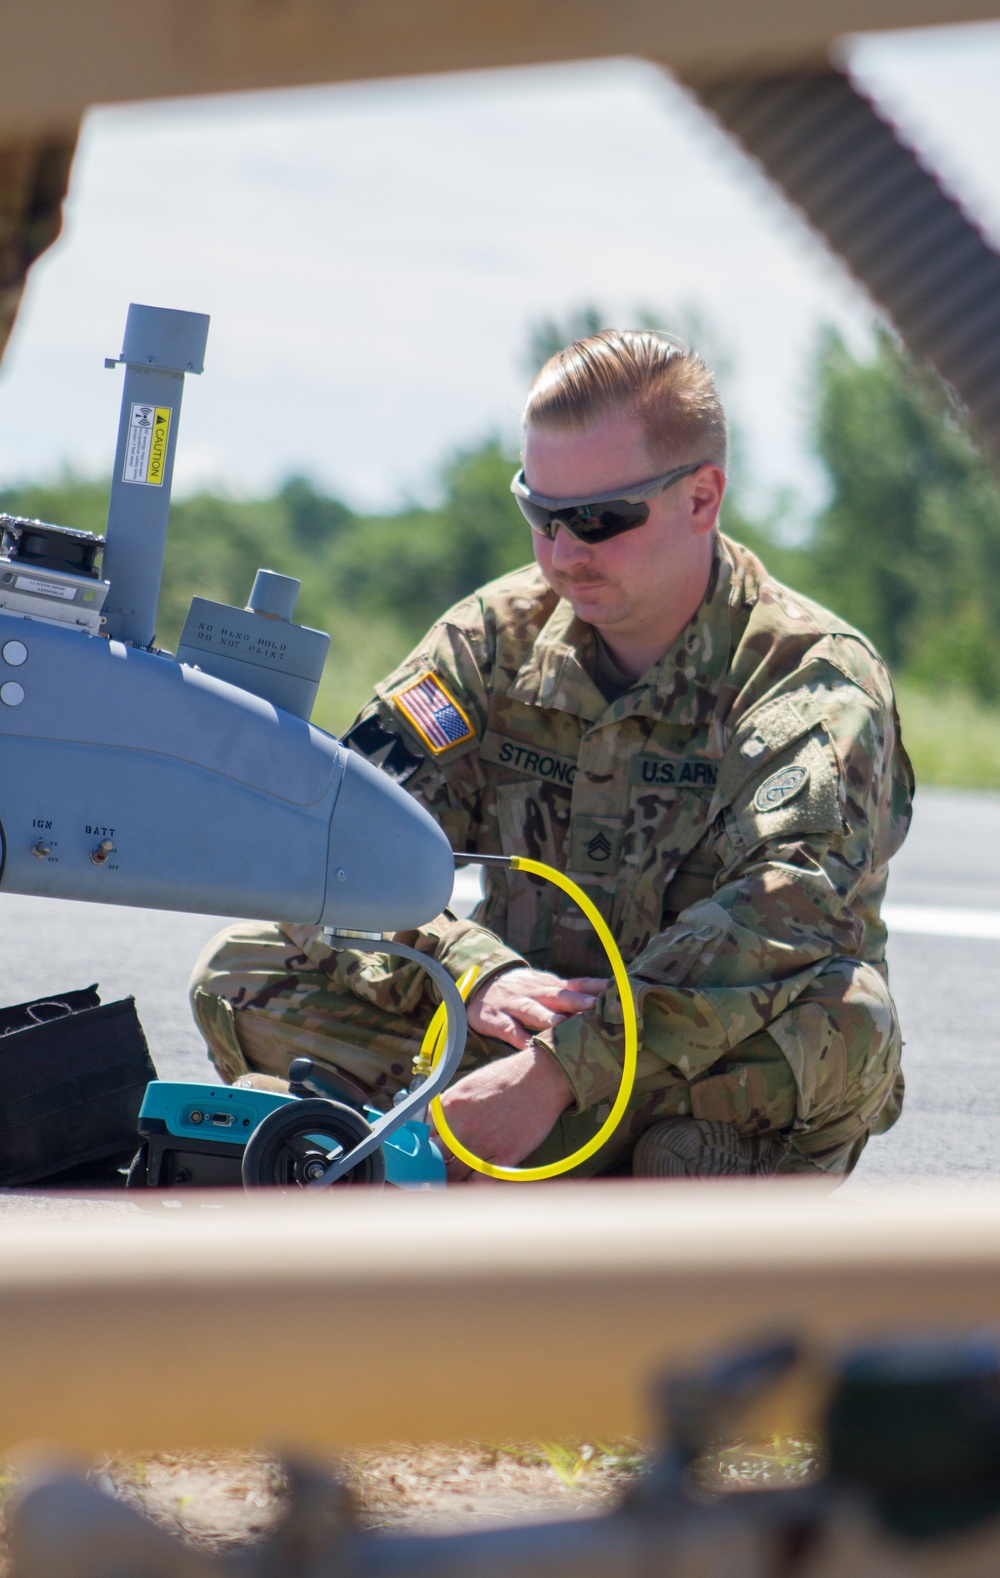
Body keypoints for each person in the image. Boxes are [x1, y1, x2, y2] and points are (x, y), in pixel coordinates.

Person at [189, 330, 913, 1180]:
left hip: (695, 1048)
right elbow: (339, 838)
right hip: (510, 1023)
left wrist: (561, 1070)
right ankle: (568, 1166)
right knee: (243, 968)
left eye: (603, 519)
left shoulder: (807, 673)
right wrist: (467, 968)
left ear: (702, 498)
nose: (566, 552)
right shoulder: (494, 640)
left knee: (848, 1016)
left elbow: (784, 915)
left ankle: (462, 1151)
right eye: (543, 514)